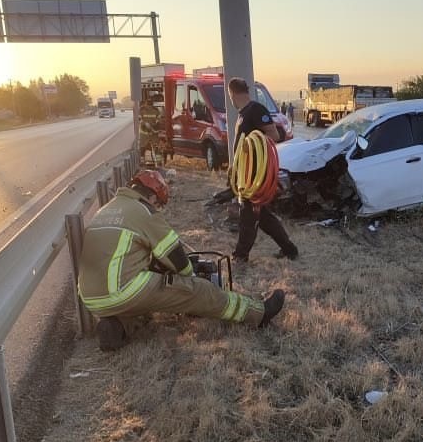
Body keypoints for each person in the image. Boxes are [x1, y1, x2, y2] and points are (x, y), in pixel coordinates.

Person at [78, 169, 285, 350]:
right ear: (152, 197)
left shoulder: (105, 210)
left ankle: (116, 327)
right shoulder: (144, 211)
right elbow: (175, 256)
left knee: (141, 307)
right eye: (159, 204)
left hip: (91, 299)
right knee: (199, 291)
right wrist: (190, 276)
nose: (158, 208)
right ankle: (258, 314)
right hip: (125, 290)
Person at [228, 77, 299, 264]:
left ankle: (240, 256)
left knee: (248, 216)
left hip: (254, 177)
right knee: (264, 218)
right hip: (244, 174)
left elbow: (273, 135)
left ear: (232, 94)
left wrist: (249, 148)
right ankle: (290, 249)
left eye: (230, 96)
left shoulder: (256, 110)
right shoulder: (243, 114)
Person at [139, 94, 163, 165]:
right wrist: (153, 127)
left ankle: (143, 162)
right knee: (154, 148)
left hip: (148, 133)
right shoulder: (155, 110)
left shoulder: (142, 109)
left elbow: (159, 121)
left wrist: (154, 128)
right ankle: (158, 163)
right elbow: (159, 121)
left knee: (143, 149)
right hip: (148, 132)